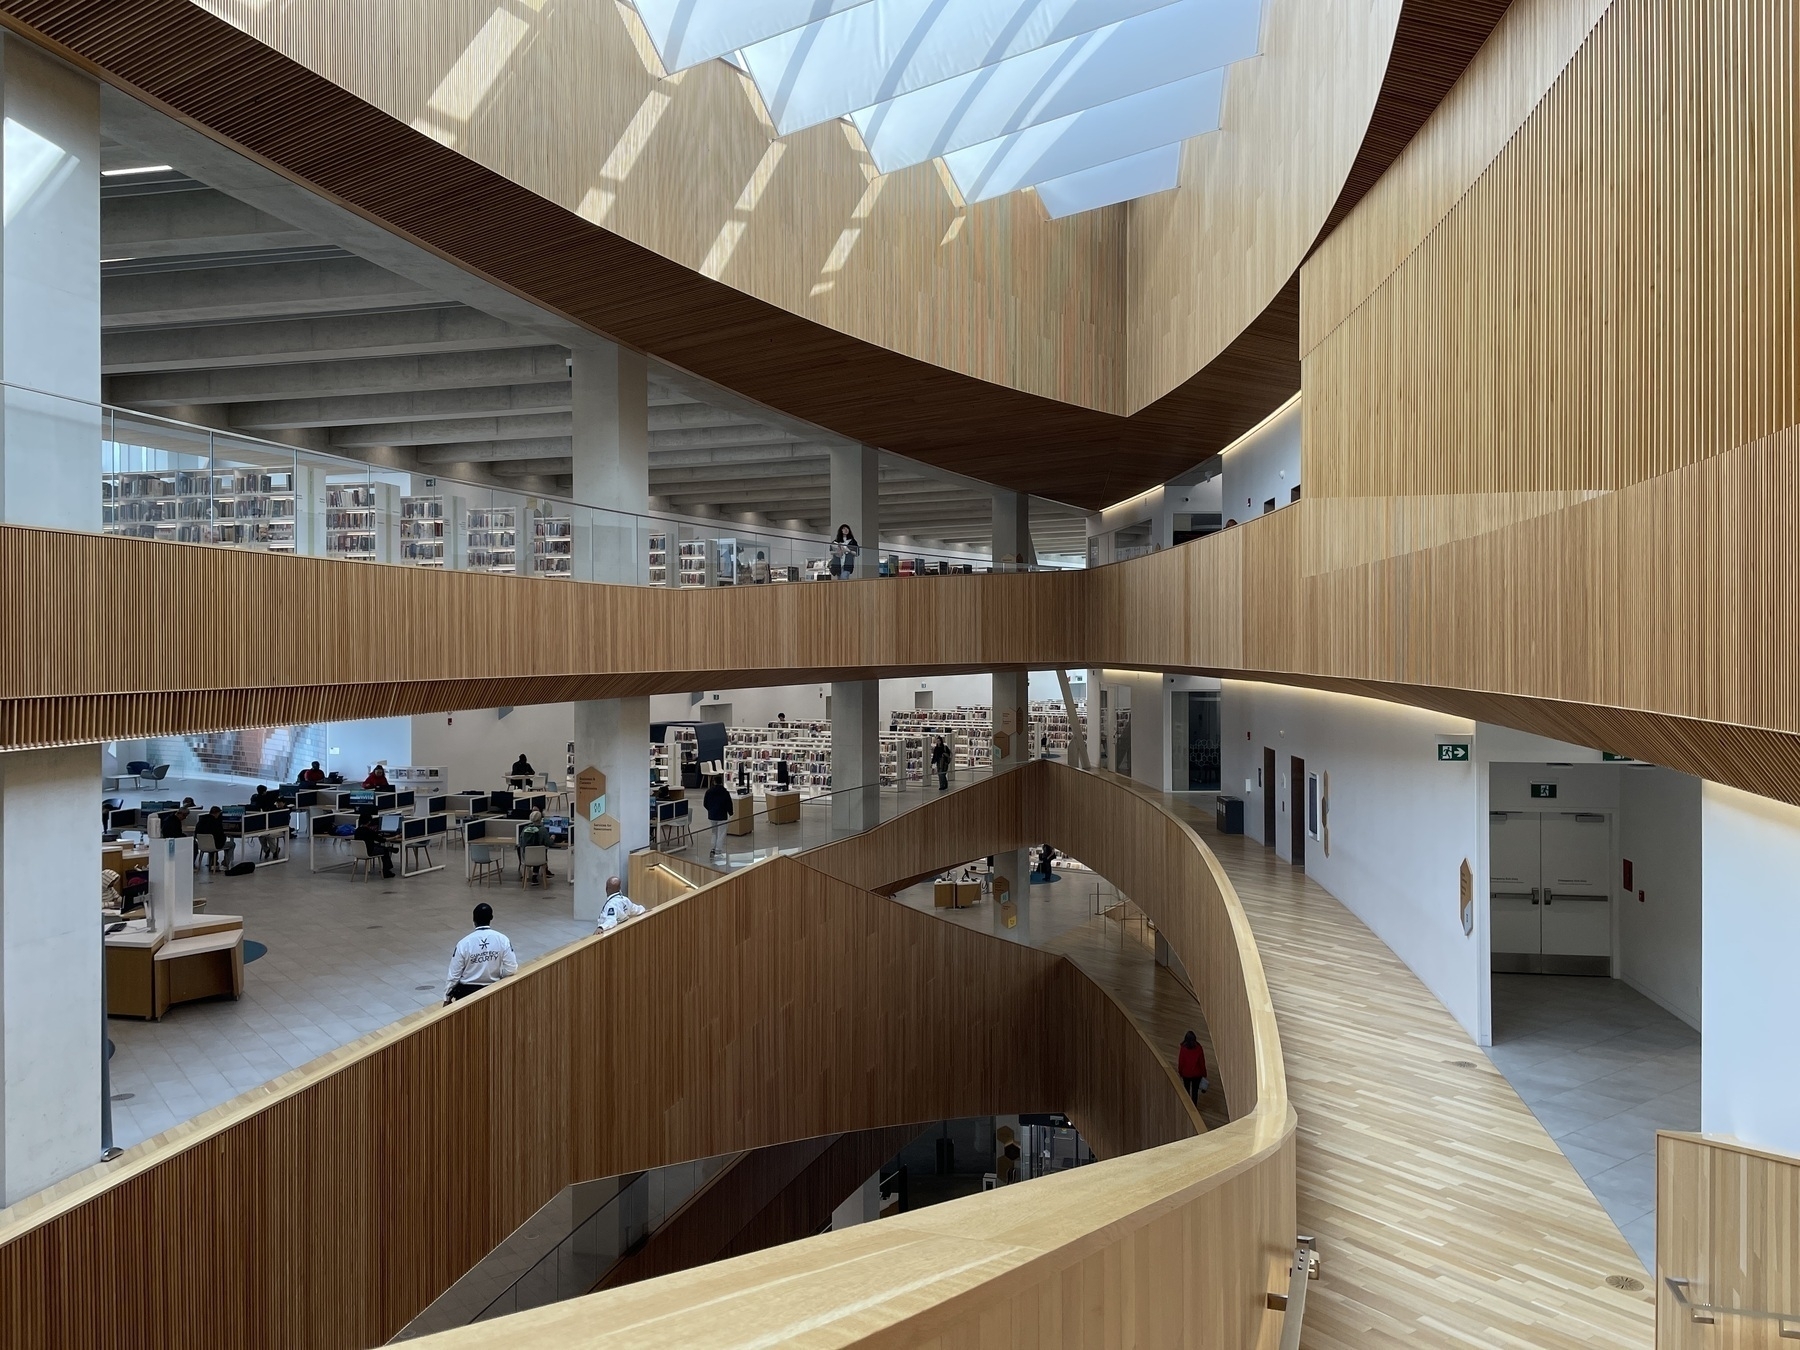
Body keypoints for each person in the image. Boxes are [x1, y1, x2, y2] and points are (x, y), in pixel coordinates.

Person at [443, 903, 519, 1003]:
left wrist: (446, 998)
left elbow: (454, 975)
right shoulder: (502, 939)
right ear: (491, 917)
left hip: (467, 996)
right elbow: (512, 968)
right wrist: (500, 976)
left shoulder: (464, 943)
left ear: (473, 919)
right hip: (494, 992)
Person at [354, 808, 396, 878]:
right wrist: (395, 837)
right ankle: (386, 871)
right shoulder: (369, 832)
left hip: (359, 851)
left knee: (378, 846)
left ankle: (390, 849)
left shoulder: (357, 831)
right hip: (369, 851)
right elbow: (383, 840)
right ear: (369, 822)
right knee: (384, 851)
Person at [517, 809, 551, 884]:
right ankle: (535, 876)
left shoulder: (525, 829)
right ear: (540, 819)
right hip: (539, 859)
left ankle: (526, 876)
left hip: (527, 858)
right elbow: (548, 843)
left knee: (534, 851)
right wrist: (552, 838)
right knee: (541, 851)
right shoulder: (543, 830)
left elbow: (521, 842)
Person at [703, 774, 732, 857]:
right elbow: (728, 804)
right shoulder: (725, 792)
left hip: (712, 815)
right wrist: (730, 813)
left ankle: (713, 849)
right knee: (721, 833)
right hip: (722, 815)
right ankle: (718, 850)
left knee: (714, 833)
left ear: (714, 782)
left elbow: (705, 803)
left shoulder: (708, 791)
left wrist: (710, 810)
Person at [1178, 1030, 1208, 1105]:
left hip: (1186, 1074)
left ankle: (1187, 1106)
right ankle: (1194, 1107)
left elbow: (1181, 1062)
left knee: (1186, 1090)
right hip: (1197, 1075)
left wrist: (1180, 1072)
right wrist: (1204, 1073)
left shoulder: (1183, 1048)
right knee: (1195, 1092)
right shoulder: (1199, 1048)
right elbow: (1202, 1062)